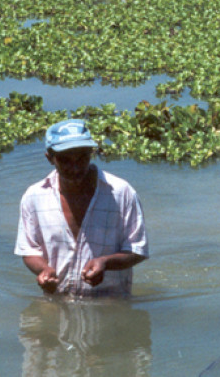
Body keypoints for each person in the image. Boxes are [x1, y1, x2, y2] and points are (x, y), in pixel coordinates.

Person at [15, 119, 148, 297]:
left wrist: (105, 262)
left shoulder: (121, 192)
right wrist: (44, 270)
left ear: (91, 154)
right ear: (50, 158)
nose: (75, 168)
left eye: (82, 158)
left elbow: (137, 250)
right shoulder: (33, 197)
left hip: (110, 300)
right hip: (57, 299)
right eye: (65, 160)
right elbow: (29, 251)